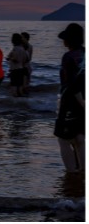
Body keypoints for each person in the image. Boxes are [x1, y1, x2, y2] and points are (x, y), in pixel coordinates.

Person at [54, 23, 85, 173]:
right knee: (80, 137)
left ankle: (72, 172)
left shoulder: (68, 57)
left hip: (70, 101)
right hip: (83, 100)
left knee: (63, 138)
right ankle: (83, 170)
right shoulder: (85, 54)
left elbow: (71, 84)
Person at [6, 33, 29, 97]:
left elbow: (15, 59)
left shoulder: (15, 48)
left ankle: (15, 104)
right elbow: (26, 59)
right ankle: (22, 102)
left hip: (15, 70)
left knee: (14, 88)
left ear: (13, 40)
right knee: (20, 88)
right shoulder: (23, 49)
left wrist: (10, 58)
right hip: (21, 69)